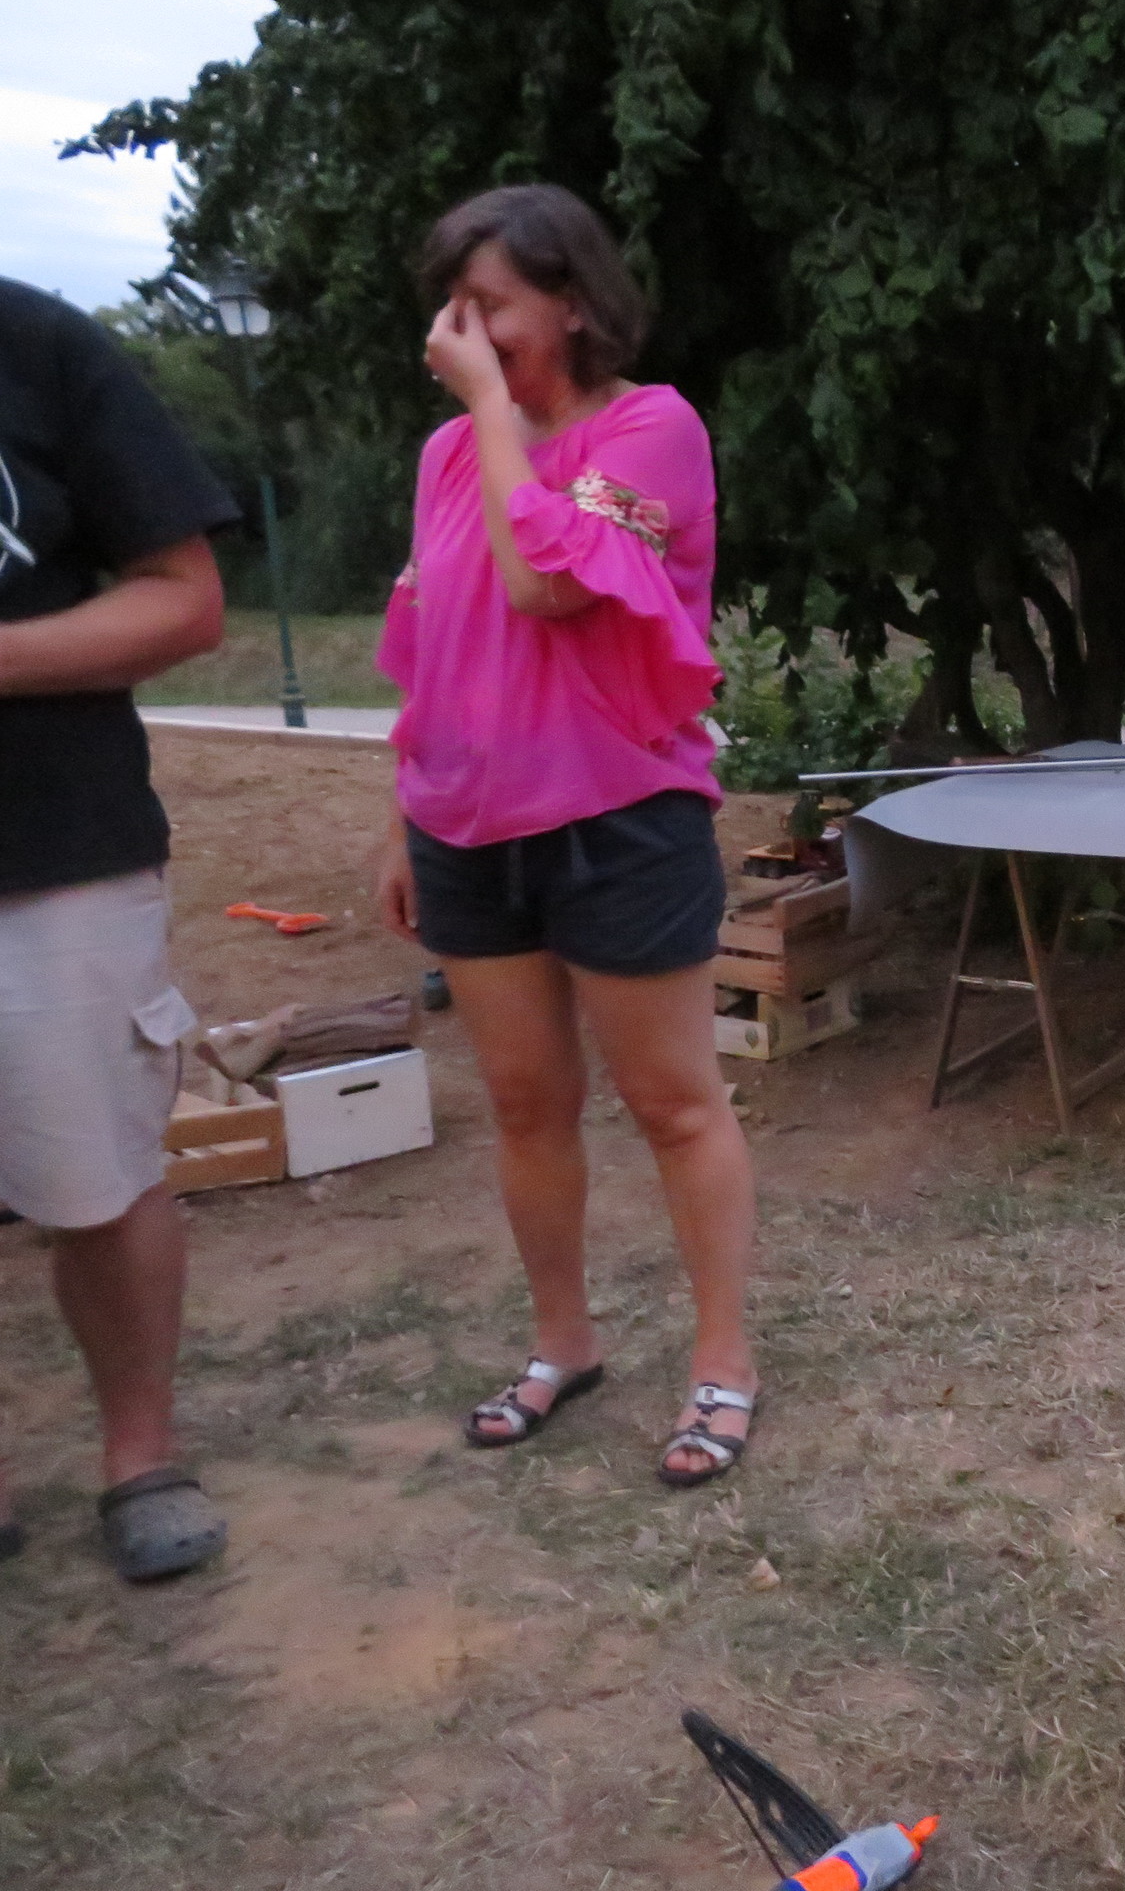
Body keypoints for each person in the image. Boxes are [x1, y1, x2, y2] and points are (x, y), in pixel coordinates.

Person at [370, 184, 759, 1486]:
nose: (460, 333)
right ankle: (563, 1344)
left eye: (488, 306)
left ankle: (723, 1363)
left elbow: (543, 584)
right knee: (527, 1104)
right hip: (465, 828)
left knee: (673, 1104)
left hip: (620, 821)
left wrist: (490, 408)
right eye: (451, 308)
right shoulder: (445, 455)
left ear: (575, 305)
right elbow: (431, 641)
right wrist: (400, 817)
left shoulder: (652, 429)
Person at [0, 244, 238, 1618]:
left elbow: (186, 594)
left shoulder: (23, 339)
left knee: (97, 1184)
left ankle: (140, 1459)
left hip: (44, 853)